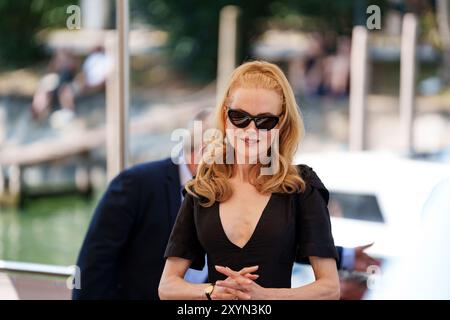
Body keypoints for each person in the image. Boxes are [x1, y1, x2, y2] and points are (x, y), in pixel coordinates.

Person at [72, 108, 377, 300]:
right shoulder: (136, 184)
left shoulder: (230, 189)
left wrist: (346, 257)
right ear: (204, 148)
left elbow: (273, 241)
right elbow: (95, 263)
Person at [159, 60, 340, 300]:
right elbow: (167, 286)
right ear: (225, 116)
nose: (251, 131)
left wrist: (265, 296)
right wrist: (212, 291)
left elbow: (329, 288)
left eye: (265, 121)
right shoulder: (203, 188)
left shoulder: (300, 186)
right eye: (240, 117)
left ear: (282, 123)